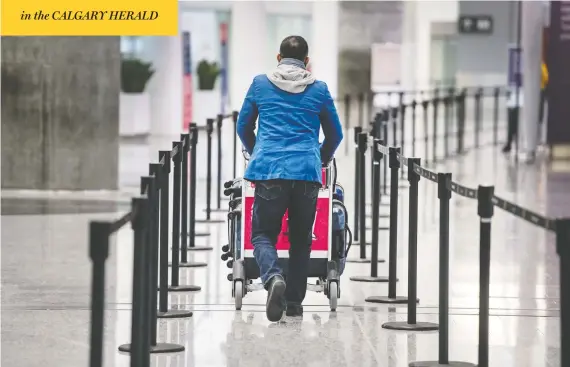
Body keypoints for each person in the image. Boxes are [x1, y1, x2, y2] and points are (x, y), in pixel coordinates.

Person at [236, 35, 343, 322]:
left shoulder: (260, 84)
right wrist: (319, 158)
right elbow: (335, 134)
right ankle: (294, 303)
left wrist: (256, 150)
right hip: (306, 172)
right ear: (307, 61)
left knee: (262, 234)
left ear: (278, 58)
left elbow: (243, 125)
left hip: (269, 168)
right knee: (300, 240)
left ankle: (273, 279)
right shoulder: (318, 89)